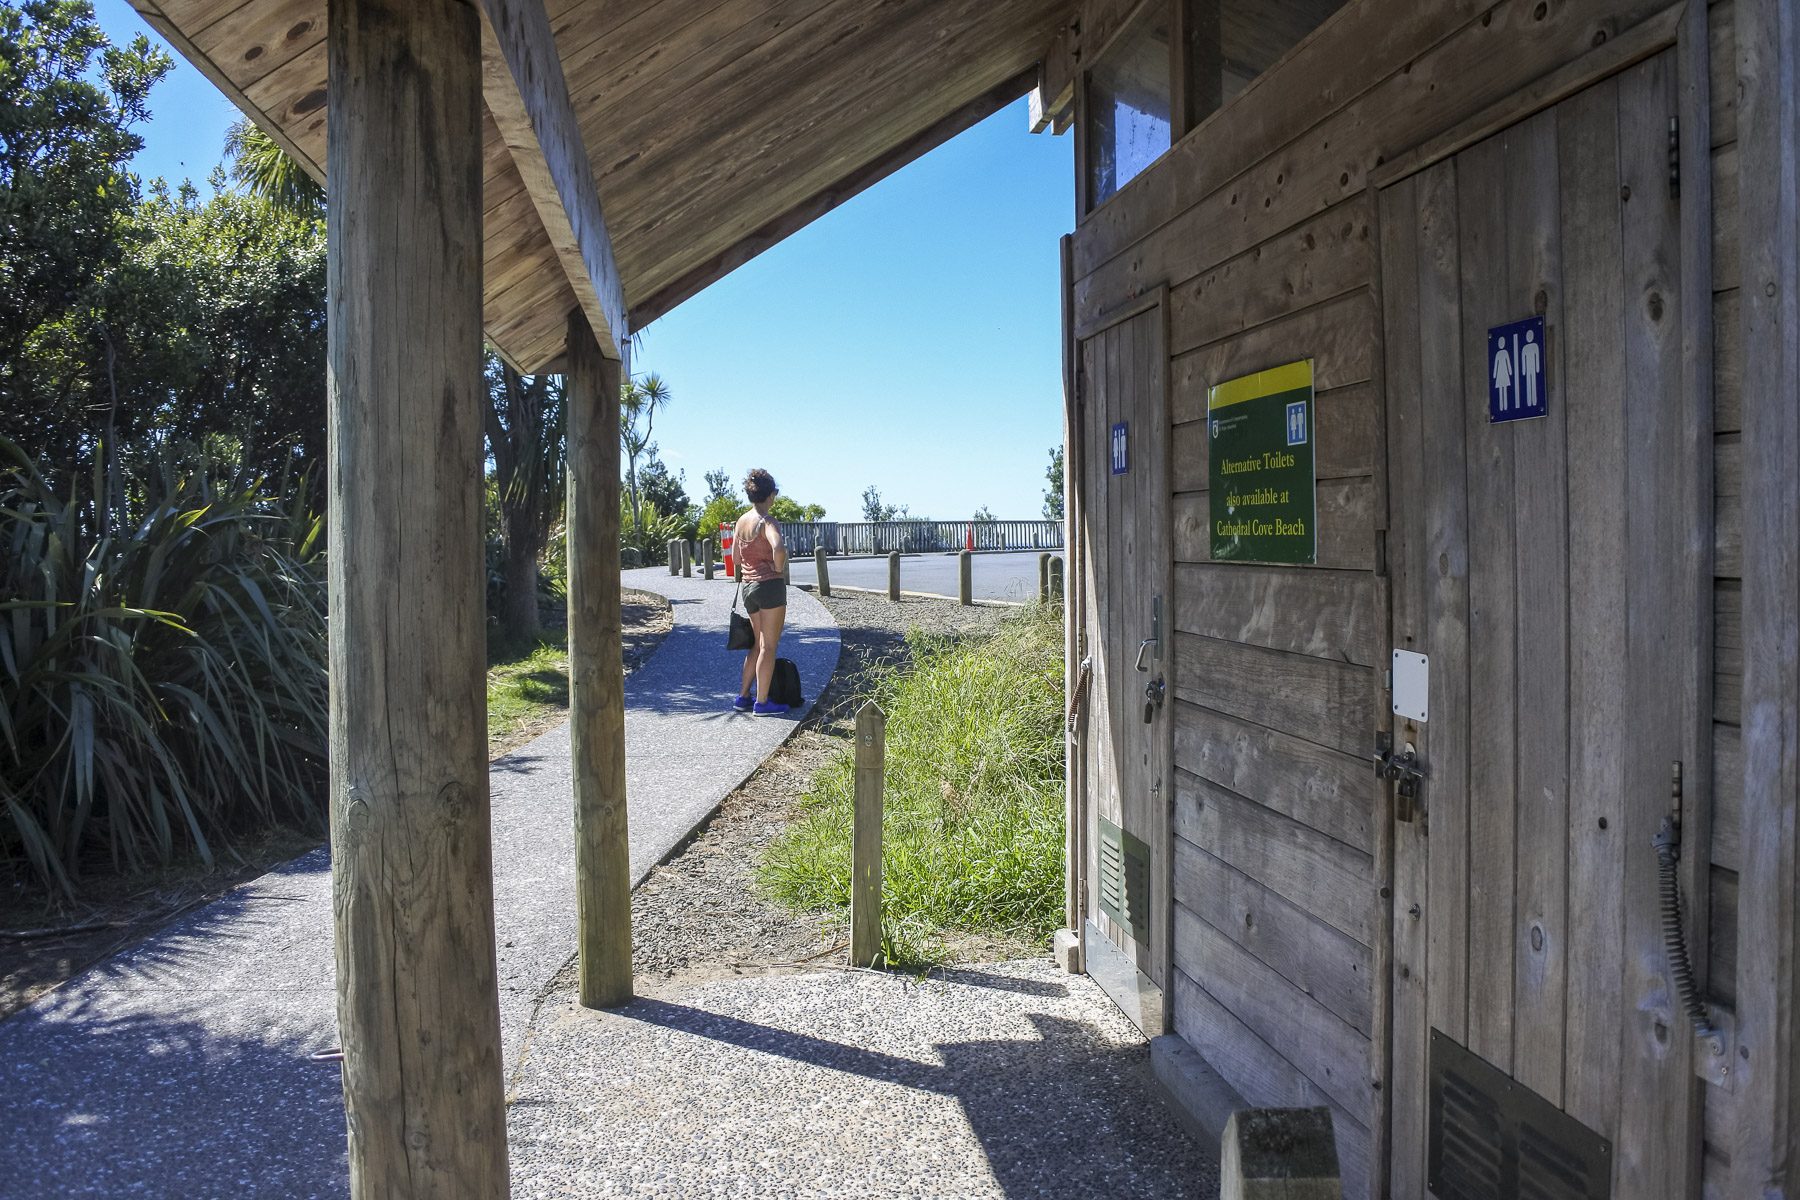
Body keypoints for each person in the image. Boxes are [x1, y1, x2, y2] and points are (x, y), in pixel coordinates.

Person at [732, 468, 789, 715]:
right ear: (771, 495)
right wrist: (777, 567)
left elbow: (735, 557)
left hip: (748, 588)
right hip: (769, 588)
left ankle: (743, 696)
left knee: (756, 644)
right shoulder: (767, 521)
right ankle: (762, 702)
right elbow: (778, 547)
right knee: (769, 646)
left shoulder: (741, 522)